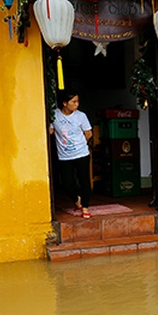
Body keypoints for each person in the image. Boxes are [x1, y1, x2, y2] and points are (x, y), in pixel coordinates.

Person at [49, 91, 93, 219]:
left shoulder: (81, 116)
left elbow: (88, 133)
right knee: (68, 183)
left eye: (77, 101)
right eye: (73, 102)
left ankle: (85, 207)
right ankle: (76, 200)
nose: (76, 104)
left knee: (84, 181)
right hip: (64, 156)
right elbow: (51, 131)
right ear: (64, 103)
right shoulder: (55, 115)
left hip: (81, 154)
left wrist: (80, 145)